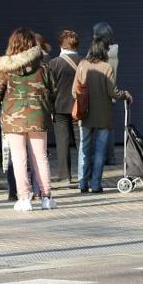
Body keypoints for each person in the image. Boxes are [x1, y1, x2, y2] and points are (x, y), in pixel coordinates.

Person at [0, 28, 56, 212]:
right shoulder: (43, 67)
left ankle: (24, 199)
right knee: (40, 157)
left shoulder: (5, 69)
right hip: (38, 117)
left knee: (19, 158)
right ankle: (46, 197)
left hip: (13, 119)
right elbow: (53, 91)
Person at [73, 34, 132, 194]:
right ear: (103, 51)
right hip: (103, 115)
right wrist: (125, 94)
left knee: (84, 150)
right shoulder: (107, 67)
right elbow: (113, 92)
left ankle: (82, 184)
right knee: (99, 152)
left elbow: (74, 91)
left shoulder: (82, 65)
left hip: (84, 115)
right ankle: (96, 185)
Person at [46, 30, 82, 184]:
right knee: (82, 142)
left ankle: (65, 176)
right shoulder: (84, 61)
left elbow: (49, 88)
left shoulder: (53, 63)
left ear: (61, 44)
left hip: (59, 107)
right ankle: (84, 174)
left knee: (62, 142)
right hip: (80, 107)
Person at [92, 22, 119, 165]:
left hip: (98, 94)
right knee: (109, 126)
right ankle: (111, 157)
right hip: (111, 92)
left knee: (99, 128)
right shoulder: (115, 50)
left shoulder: (98, 53)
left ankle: (101, 157)